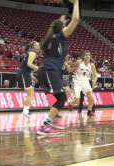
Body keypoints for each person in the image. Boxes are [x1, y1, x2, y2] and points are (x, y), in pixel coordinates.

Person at [37, 0, 80, 135]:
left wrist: (61, 21)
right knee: (62, 98)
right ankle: (44, 126)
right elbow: (76, 19)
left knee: (64, 95)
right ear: (61, 28)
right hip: (49, 70)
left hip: (51, 70)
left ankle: (52, 121)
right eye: (64, 26)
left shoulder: (52, 36)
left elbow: (56, 27)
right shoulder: (60, 36)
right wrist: (76, 3)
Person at [68, 51, 97, 116]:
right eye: (86, 55)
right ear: (83, 56)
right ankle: (70, 103)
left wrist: (94, 82)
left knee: (91, 99)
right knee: (77, 101)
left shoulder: (91, 65)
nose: (88, 56)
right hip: (76, 82)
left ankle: (89, 112)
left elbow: (95, 75)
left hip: (85, 81)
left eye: (89, 55)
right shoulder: (79, 62)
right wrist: (71, 66)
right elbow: (71, 70)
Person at [16, 41, 40, 117]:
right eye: (36, 45)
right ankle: (25, 112)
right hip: (23, 74)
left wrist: (32, 76)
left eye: (38, 45)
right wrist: (39, 68)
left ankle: (26, 110)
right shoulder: (33, 53)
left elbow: (28, 67)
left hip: (26, 74)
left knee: (31, 93)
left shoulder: (32, 54)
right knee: (30, 93)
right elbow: (29, 64)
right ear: (32, 47)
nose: (38, 46)